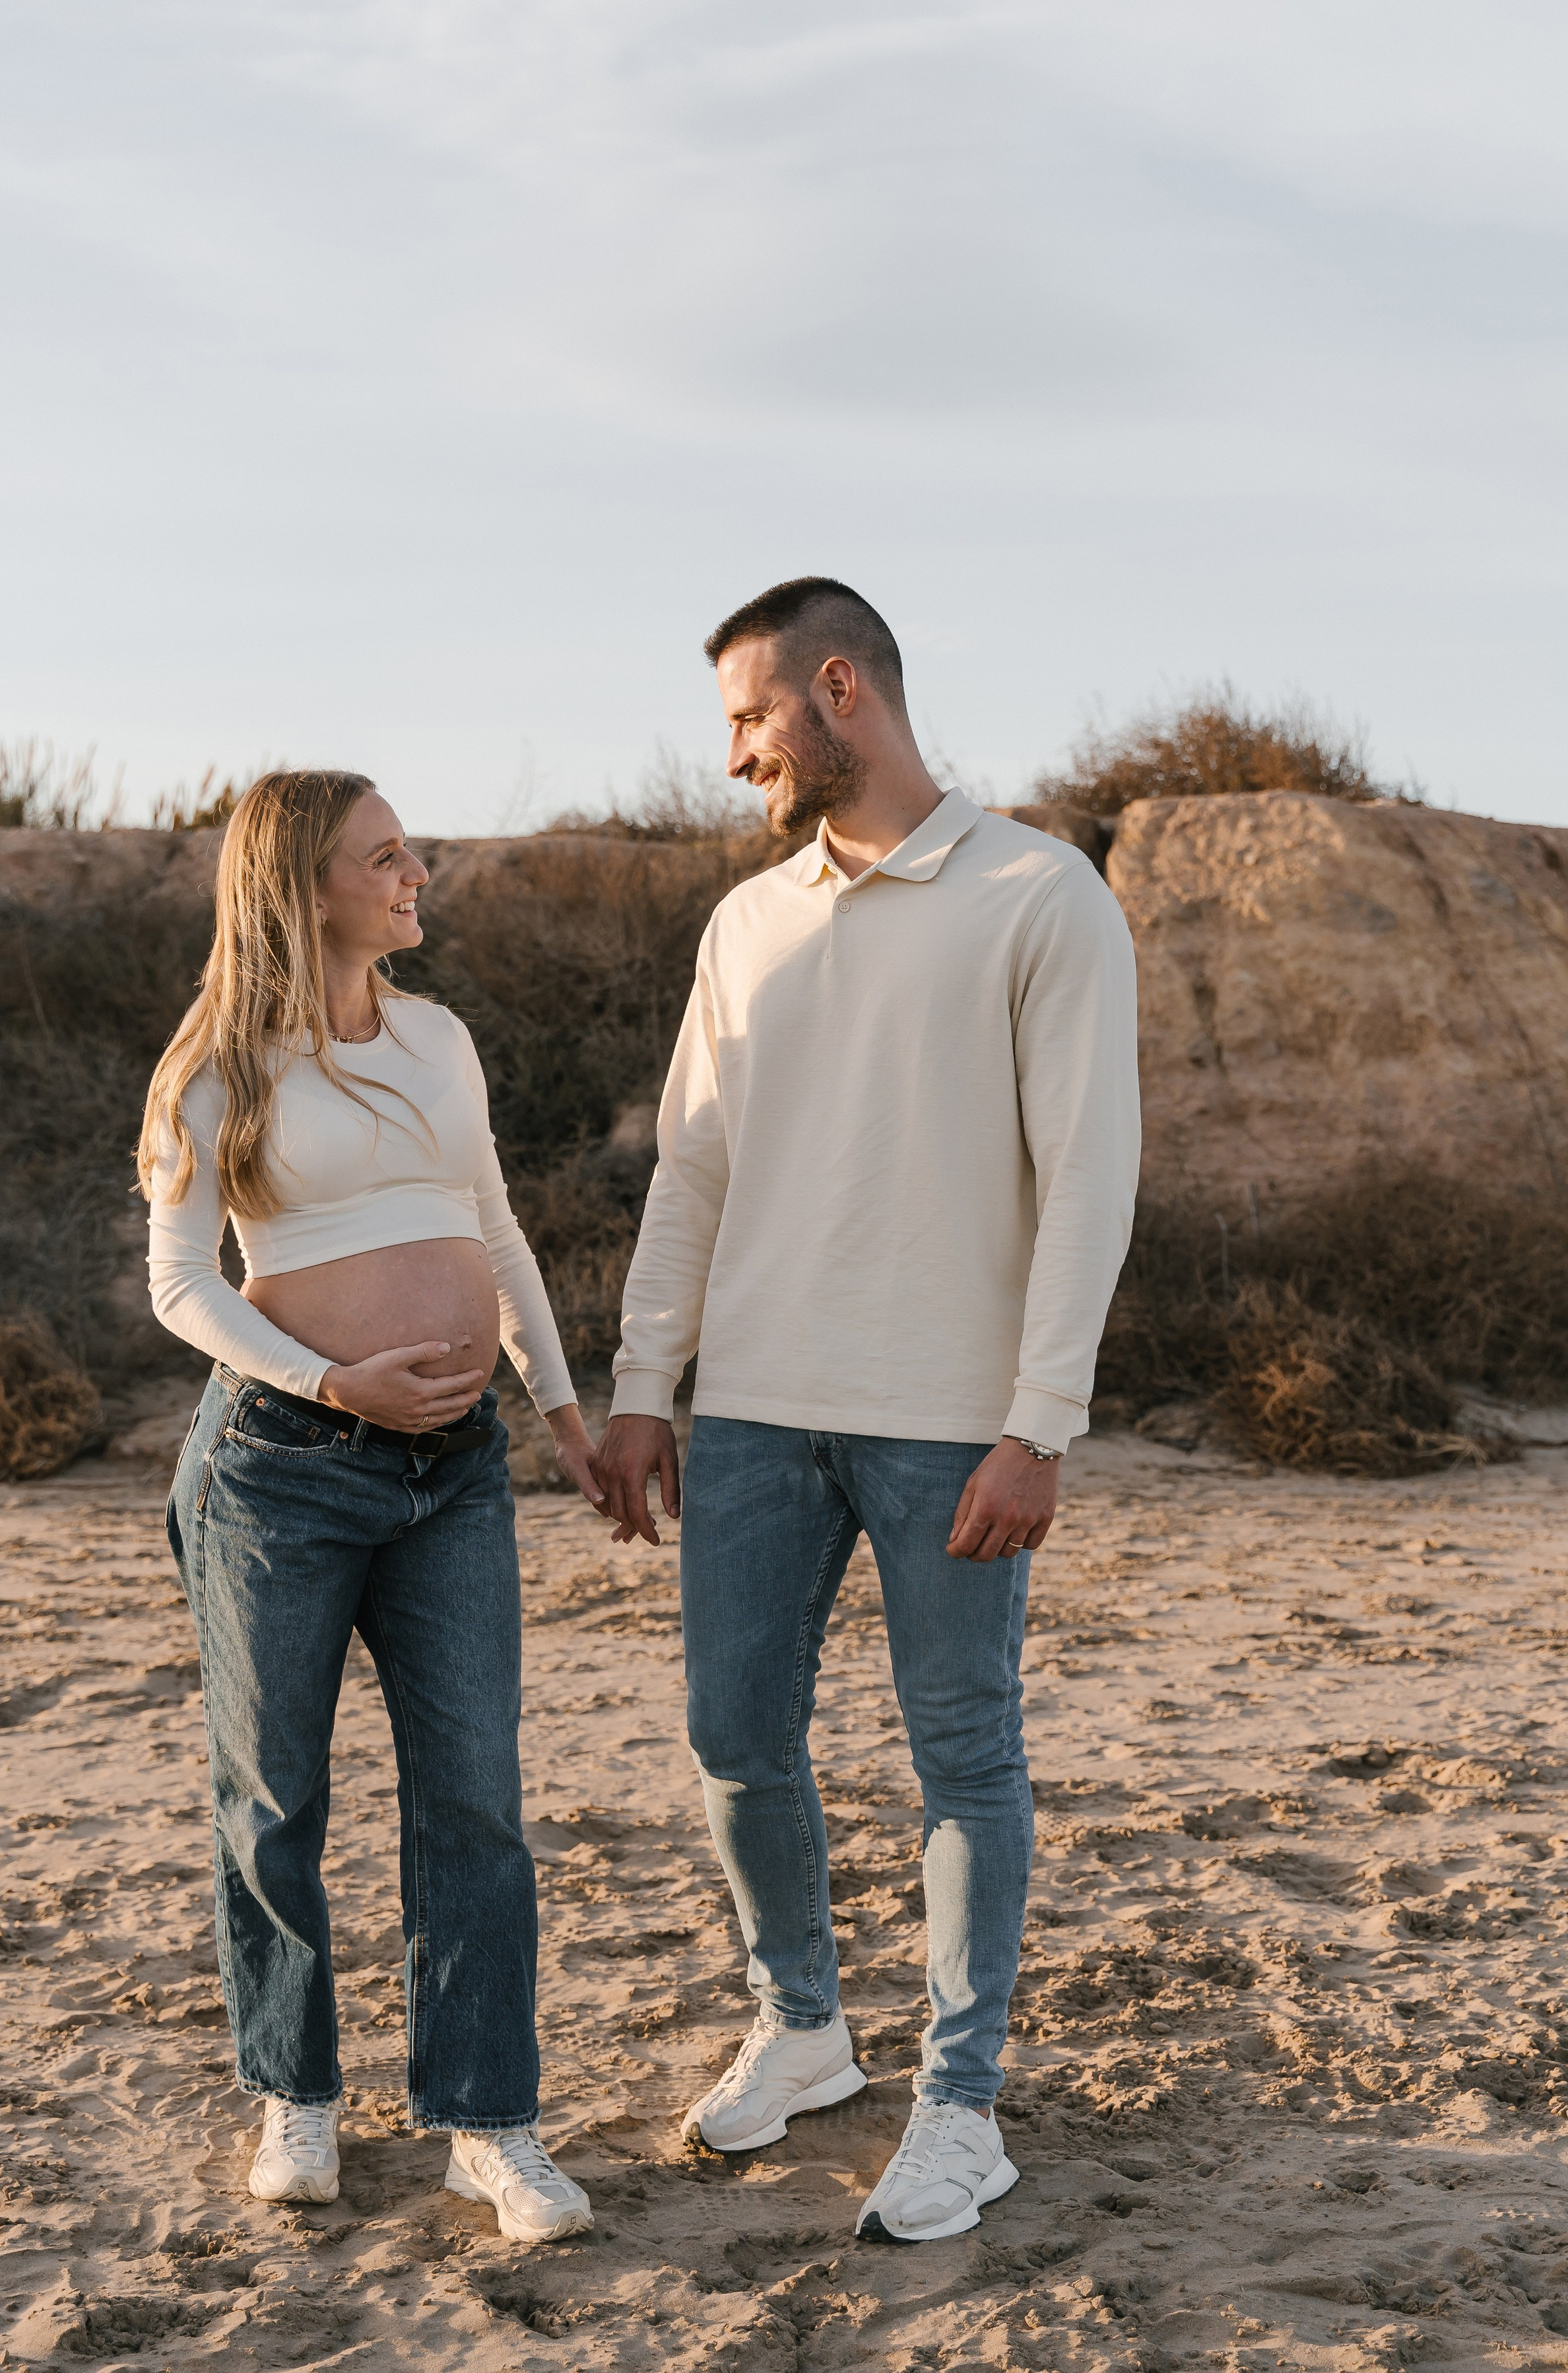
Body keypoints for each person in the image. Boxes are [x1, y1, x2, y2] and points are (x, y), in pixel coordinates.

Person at [596, 578, 1140, 2244]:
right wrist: (641, 1384)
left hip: (945, 1423)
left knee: (961, 1751)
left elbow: (1086, 1178)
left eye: (751, 719)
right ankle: (806, 2027)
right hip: (754, 1412)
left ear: (841, 690)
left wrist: (1038, 1422)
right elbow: (689, 1170)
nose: (737, 756)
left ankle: (959, 2108)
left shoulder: (1039, 897)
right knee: (730, 1735)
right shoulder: (745, 924)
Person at [138, 768, 599, 2242]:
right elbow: (181, 1285)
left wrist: (563, 1410)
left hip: (455, 1473)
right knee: (275, 1798)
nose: (417, 872)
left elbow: (497, 1230)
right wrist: (336, 1387)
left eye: (410, 851)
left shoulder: (442, 1039)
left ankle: (487, 2121)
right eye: (383, 856)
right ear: (303, 886)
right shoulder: (216, 1067)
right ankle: (296, 2093)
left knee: (473, 1800)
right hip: (279, 1471)